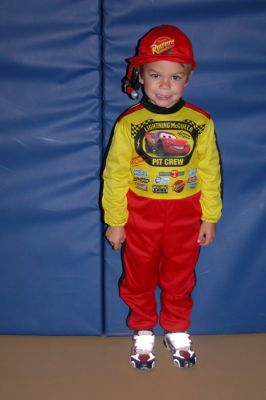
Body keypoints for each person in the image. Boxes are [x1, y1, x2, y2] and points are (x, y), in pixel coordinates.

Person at [102, 24, 222, 370]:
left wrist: (210, 216)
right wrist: (116, 221)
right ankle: (142, 327)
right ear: (139, 76)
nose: (165, 86)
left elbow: (211, 171)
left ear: (187, 79)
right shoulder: (129, 123)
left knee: (180, 275)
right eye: (156, 75)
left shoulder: (201, 122)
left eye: (175, 77)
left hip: (185, 214)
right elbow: (115, 175)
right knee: (138, 274)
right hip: (141, 214)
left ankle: (176, 327)